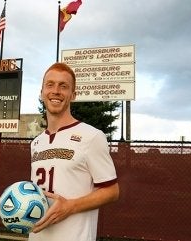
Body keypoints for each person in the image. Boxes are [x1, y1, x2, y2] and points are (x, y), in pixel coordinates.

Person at [29, 62, 119, 241]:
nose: (56, 91)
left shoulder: (91, 136)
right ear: (41, 93)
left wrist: (70, 206)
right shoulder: (36, 142)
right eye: (50, 84)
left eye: (63, 86)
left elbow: (112, 191)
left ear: (73, 95)